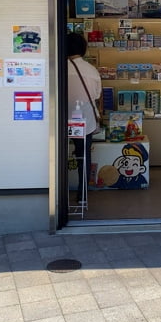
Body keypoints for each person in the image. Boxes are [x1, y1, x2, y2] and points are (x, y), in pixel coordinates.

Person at [67, 32, 102, 201]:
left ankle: (58, 190)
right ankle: (83, 194)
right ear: (83, 49)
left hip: (61, 117)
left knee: (58, 152)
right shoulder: (91, 70)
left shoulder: (59, 67)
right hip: (83, 119)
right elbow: (96, 95)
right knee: (83, 154)